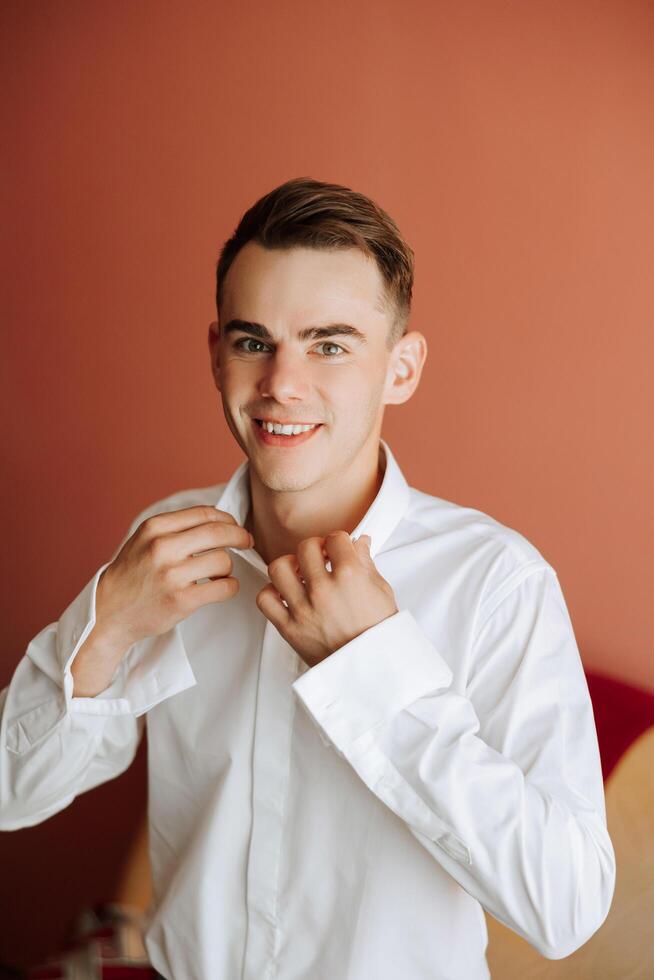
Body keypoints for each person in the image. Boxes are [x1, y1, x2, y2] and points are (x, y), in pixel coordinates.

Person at [0, 177, 615, 979]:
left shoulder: (497, 582)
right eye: (255, 341)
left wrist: (373, 663)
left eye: (329, 344)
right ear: (217, 351)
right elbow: (13, 794)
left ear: (402, 368)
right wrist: (106, 626)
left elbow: (565, 906)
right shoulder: (164, 552)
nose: (282, 385)